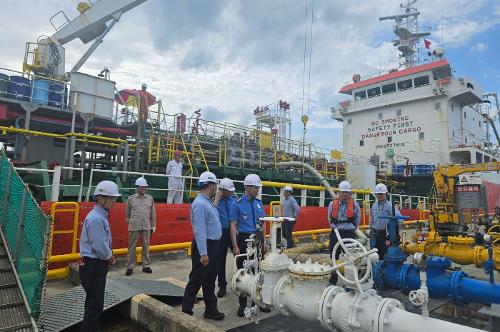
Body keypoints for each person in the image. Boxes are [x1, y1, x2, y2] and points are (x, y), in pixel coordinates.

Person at [181, 171, 225, 320]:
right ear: (211, 185)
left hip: (212, 245)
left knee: (209, 279)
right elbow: (199, 231)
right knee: (196, 279)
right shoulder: (200, 204)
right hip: (205, 246)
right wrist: (204, 253)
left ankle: (211, 309)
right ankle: (186, 311)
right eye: (215, 186)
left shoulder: (207, 202)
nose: (216, 189)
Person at [79, 181, 121, 332]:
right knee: (94, 306)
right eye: (112, 199)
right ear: (101, 199)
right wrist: (110, 258)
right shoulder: (97, 218)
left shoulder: (98, 216)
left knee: (93, 304)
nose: (114, 202)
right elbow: (100, 247)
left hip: (94, 265)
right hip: (94, 265)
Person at [230, 174, 266, 317]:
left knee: (258, 271)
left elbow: (263, 223)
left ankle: (256, 303)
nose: (257, 190)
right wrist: (234, 246)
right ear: (248, 187)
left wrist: (265, 242)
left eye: (258, 187)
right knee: (243, 271)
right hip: (244, 240)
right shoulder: (237, 204)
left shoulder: (259, 203)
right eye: (255, 187)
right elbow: (233, 225)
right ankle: (243, 304)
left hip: (257, 239)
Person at [327, 180, 361, 285]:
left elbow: (357, 220)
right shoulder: (332, 204)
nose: (345, 194)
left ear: (350, 193)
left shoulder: (355, 205)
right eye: (343, 192)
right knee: (333, 256)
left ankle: (351, 279)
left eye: (347, 192)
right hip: (335, 232)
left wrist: (351, 228)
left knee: (351, 257)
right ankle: (333, 278)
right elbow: (329, 218)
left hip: (349, 233)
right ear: (339, 192)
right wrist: (334, 226)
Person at [125, 177, 156, 276]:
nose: (144, 188)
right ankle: (130, 267)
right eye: (142, 187)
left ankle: (145, 266)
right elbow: (127, 214)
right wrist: (130, 223)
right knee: (131, 247)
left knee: (146, 246)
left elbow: (153, 214)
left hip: (147, 226)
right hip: (134, 225)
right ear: (137, 187)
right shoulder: (131, 199)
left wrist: (153, 225)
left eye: (145, 187)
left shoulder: (150, 198)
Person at [214, 178, 237, 298]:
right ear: (222, 190)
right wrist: (217, 199)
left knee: (238, 256)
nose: (231, 193)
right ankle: (222, 286)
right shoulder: (216, 201)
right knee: (220, 260)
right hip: (221, 233)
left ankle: (241, 281)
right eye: (228, 191)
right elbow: (211, 212)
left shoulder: (234, 201)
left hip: (233, 232)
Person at [370, 183, 400, 260]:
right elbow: (372, 219)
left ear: (385, 194)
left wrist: (392, 228)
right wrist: (370, 229)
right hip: (375, 235)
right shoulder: (374, 205)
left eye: (381, 193)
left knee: (386, 256)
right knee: (374, 256)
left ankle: (385, 271)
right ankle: (377, 271)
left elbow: (400, 218)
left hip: (385, 235)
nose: (379, 195)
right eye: (377, 194)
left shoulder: (390, 206)